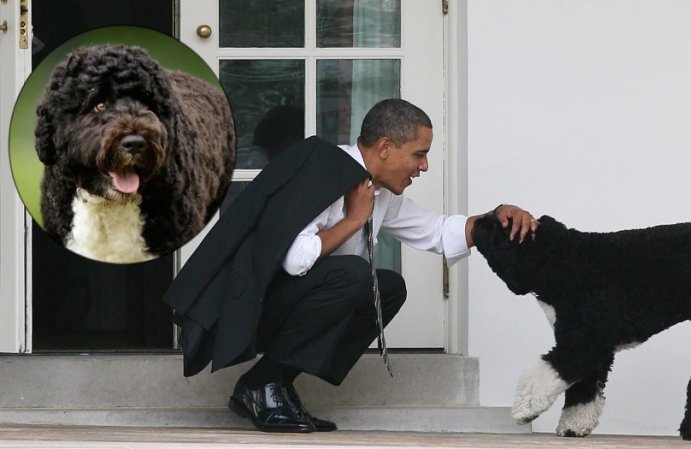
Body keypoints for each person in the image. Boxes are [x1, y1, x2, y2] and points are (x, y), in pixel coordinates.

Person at [164, 99, 537, 434]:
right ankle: (263, 387)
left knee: (388, 287)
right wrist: (354, 220)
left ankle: (268, 381)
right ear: (386, 148)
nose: (423, 166)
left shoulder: (378, 190)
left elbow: (437, 232)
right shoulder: (323, 169)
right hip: (246, 310)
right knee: (354, 275)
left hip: (289, 305)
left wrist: (496, 217)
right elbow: (295, 260)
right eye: (419, 154)